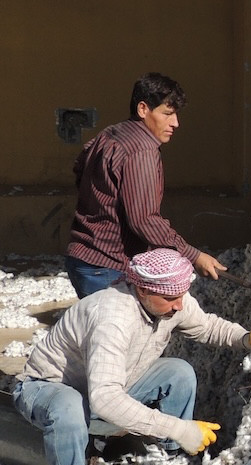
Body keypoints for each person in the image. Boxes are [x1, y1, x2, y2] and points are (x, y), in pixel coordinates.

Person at [13, 248, 251, 465]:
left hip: (113, 383)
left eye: (181, 296)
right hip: (49, 389)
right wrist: (179, 428)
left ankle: (168, 461)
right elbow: (104, 399)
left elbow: (206, 326)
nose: (179, 305)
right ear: (141, 290)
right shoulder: (112, 319)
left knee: (178, 373)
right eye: (171, 299)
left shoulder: (171, 299)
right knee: (70, 405)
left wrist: (246, 338)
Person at [65, 72, 226, 298]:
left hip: (83, 259)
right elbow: (145, 220)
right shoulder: (141, 150)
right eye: (167, 114)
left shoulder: (110, 134)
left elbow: (79, 169)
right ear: (143, 109)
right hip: (107, 267)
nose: (175, 123)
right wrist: (194, 256)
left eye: (176, 114)